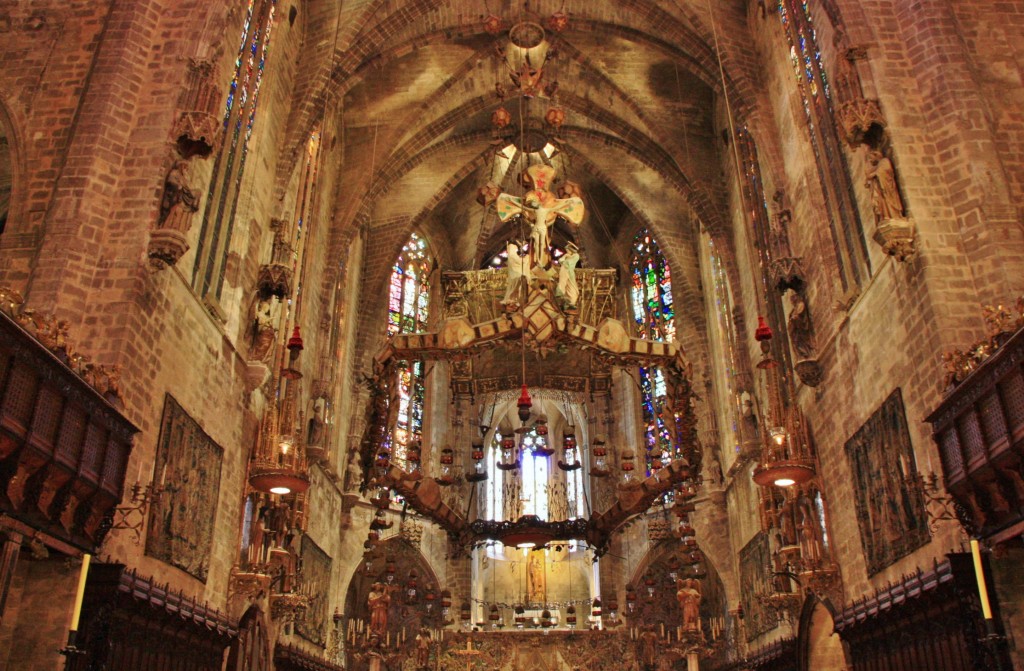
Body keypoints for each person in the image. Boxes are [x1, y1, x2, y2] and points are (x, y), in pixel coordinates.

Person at [159, 159, 200, 232]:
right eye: (185, 167)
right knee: (178, 209)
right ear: (181, 166)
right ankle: (170, 225)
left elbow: (186, 188)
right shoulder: (175, 173)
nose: (185, 170)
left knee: (197, 193)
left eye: (186, 168)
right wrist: (179, 186)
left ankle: (180, 228)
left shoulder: (183, 178)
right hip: (175, 195)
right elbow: (170, 181)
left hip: (181, 195)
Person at [865, 149, 904, 223]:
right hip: (880, 189)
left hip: (886, 189)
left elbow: (885, 170)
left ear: (876, 156)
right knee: (881, 202)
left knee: (887, 200)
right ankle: (885, 216)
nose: (870, 160)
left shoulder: (884, 161)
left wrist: (873, 174)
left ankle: (893, 215)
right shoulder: (878, 165)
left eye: (871, 158)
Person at [556, 242, 581, 309]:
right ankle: (563, 299)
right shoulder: (567, 256)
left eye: (568, 250)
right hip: (564, 270)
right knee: (563, 284)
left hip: (569, 272)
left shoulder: (576, 255)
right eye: (567, 250)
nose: (567, 252)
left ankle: (571, 302)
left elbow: (568, 264)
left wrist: (565, 258)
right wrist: (565, 256)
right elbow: (560, 261)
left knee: (573, 289)